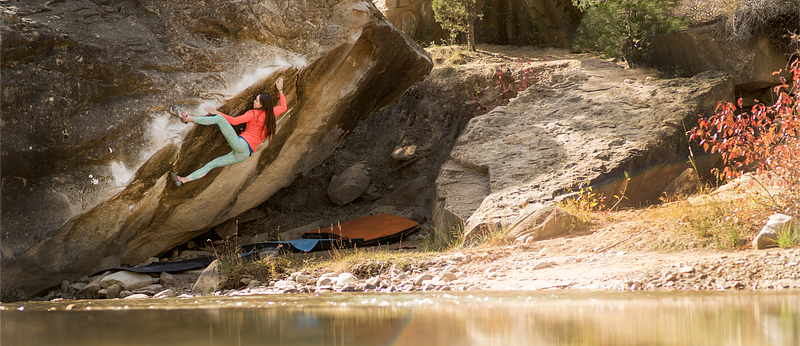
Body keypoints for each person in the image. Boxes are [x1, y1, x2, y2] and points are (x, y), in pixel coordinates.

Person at [169, 77, 287, 186]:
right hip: (244, 154)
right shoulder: (271, 113)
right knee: (212, 164)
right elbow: (283, 108)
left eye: (256, 101)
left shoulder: (253, 113)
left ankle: (187, 118)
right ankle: (183, 180)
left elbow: (235, 122)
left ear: (262, 105)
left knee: (219, 119)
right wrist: (280, 90)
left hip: (241, 145)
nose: (254, 102)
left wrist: (218, 113)